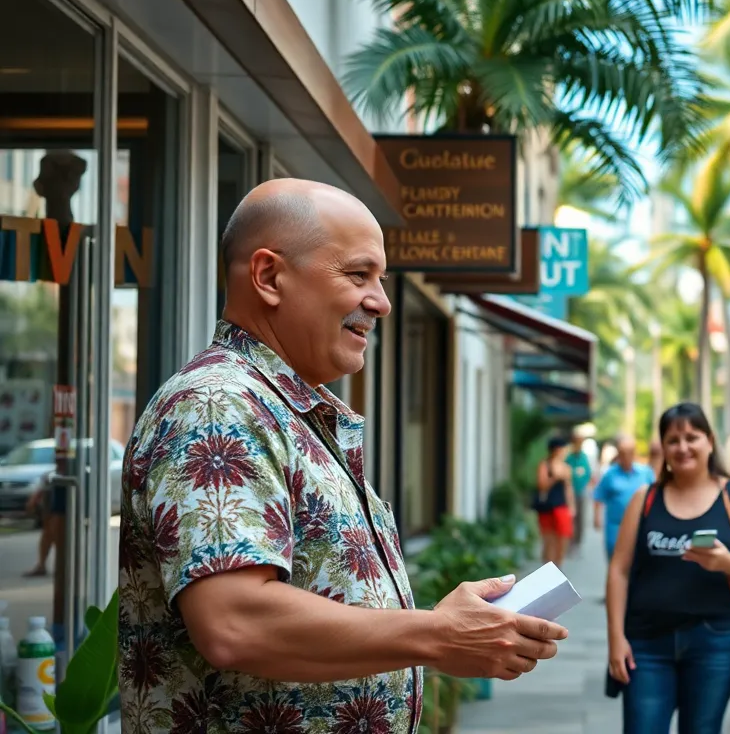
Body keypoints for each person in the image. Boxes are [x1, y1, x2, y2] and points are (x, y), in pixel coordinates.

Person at [118, 179, 567, 733]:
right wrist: (436, 633)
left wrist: (438, 630)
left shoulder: (280, 407)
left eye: (379, 279)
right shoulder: (217, 404)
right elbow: (234, 622)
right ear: (268, 276)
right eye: (358, 274)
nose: (380, 301)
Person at [606, 402, 730, 733]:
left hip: (714, 642)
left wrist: (727, 562)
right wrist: (616, 637)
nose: (683, 447)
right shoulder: (645, 499)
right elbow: (619, 571)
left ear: (710, 442)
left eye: (692, 437)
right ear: (663, 448)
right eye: (673, 440)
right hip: (646, 642)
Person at [593, 435, 655, 560]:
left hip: (640, 526)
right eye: (622, 453)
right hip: (615, 526)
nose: (626, 457)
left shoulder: (645, 473)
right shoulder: (610, 474)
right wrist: (597, 517)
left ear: (634, 453)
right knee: (615, 559)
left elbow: (655, 495)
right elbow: (598, 495)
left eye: (629, 453)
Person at [536, 435, 576, 568]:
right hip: (547, 506)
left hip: (561, 506)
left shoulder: (566, 467)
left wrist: (572, 506)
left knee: (563, 537)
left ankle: (558, 566)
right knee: (549, 540)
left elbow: (568, 488)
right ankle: (547, 566)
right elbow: (541, 485)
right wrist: (555, 477)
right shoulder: (545, 465)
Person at [566, 426, 595, 552]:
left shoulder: (584, 457)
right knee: (572, 517)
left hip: (582, 491)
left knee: (581, 518)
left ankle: (577, 542)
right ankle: (571, 542)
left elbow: (588, 473)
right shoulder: (569, 458)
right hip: (571, 491)